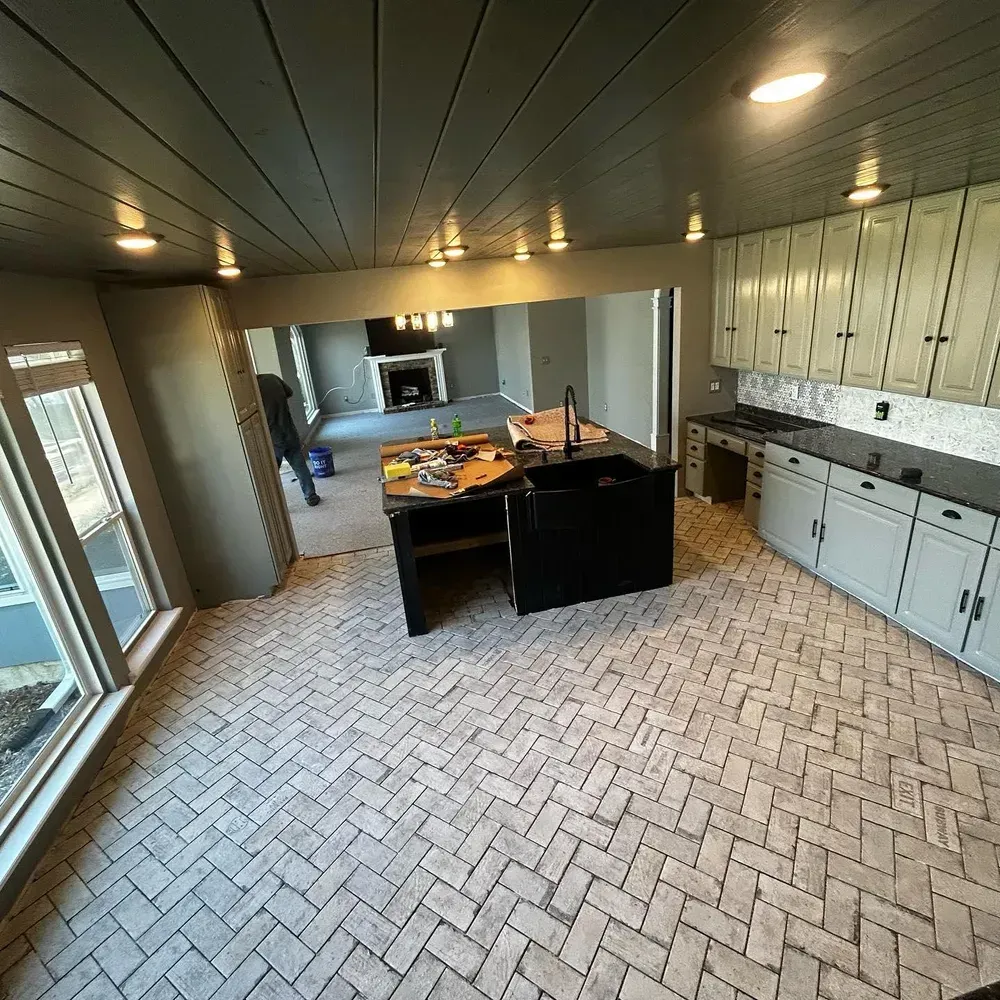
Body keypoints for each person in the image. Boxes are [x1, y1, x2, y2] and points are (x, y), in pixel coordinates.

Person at [256, 373, 321, 506]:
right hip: (288, 430)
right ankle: (310, 495)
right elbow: (289, 392)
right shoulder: (272, 378)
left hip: (273, 436)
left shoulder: (252, 388)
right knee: (300, 465)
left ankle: (274, 504)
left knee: (272, 472)